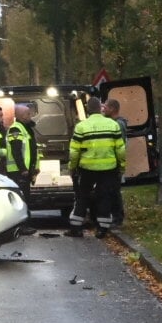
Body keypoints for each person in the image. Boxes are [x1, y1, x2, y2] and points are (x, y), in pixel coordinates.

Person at [68, 98, 127, 236]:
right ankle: (103, 229)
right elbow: (120, 148)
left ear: (88, 109)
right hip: (109, 168)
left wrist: (72, 167)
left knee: (82, 197)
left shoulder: (81, 126)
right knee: (104, 197)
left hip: (87, 169)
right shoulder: (113, 125)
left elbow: (74, 151)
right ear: (99, 109)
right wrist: (122, 166)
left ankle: (76, 228)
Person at [5, 101, 39, 208]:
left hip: (24, 171)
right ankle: (24, 222)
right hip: (17, 171)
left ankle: (26, 222)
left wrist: (33, 168)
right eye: (28, 114)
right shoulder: (16, 129)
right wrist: (23, 168)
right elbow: (16, 151)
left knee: (26, 197)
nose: (30, 116)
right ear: (21, 116)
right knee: (22, 199)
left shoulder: (25, 128)